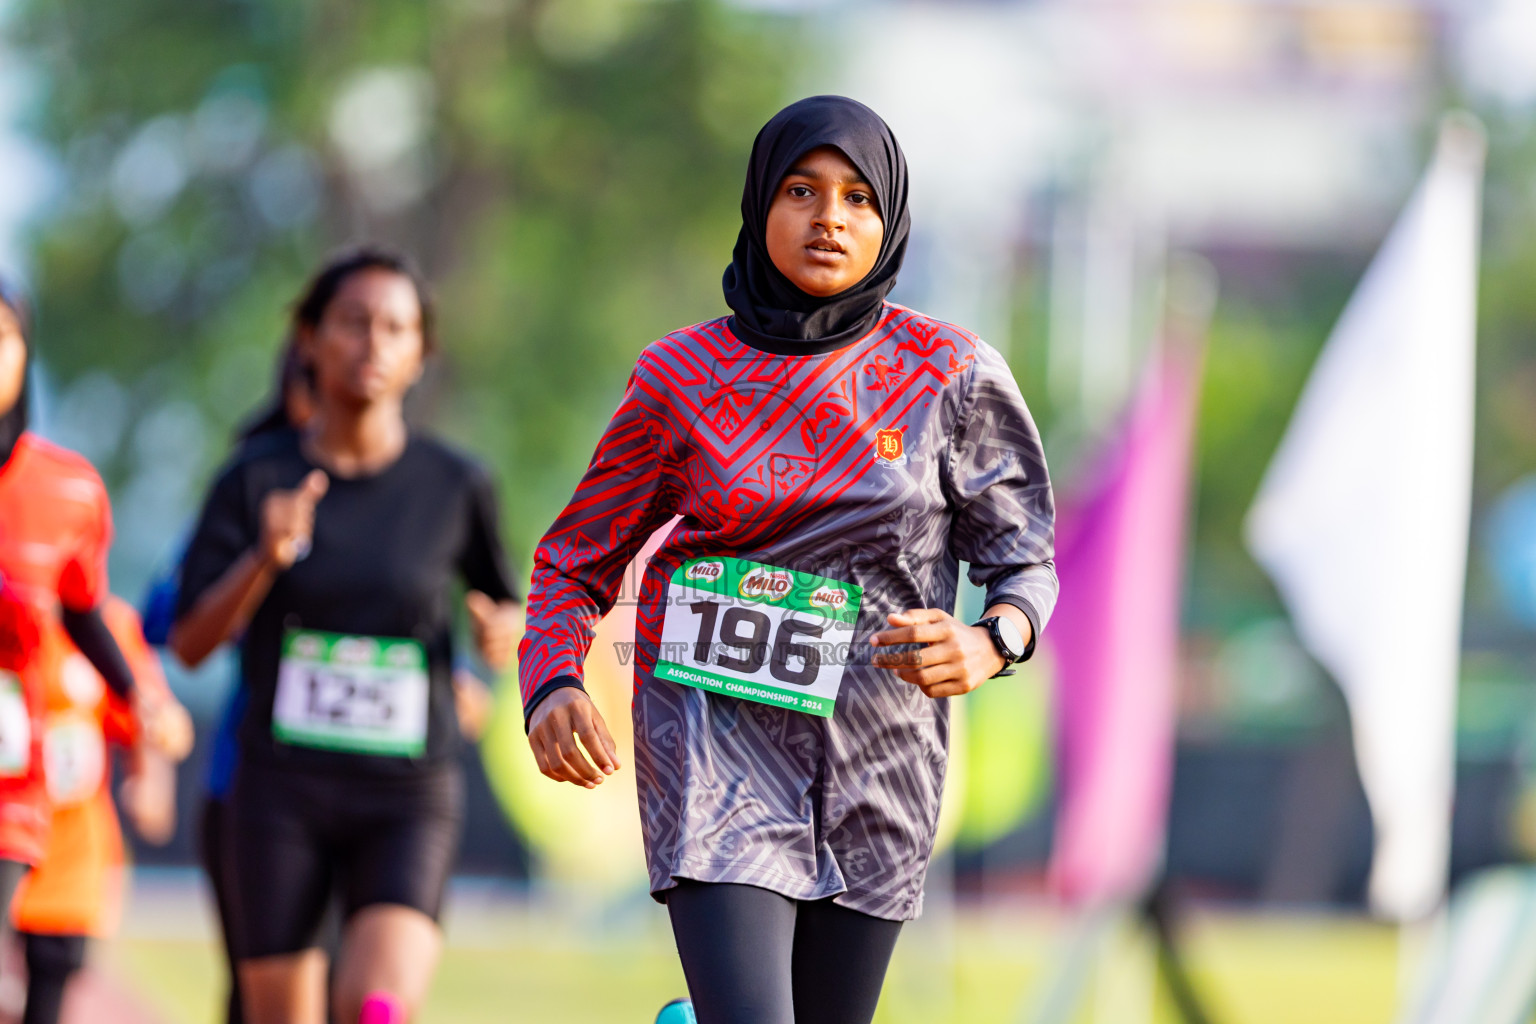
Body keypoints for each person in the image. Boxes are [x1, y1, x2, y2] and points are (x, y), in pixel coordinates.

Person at [519, 96, 1057, 1024]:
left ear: (888, 221)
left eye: (857, 199)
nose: (828, 219)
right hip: (711, 745)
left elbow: (1026, 559)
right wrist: (552, 680)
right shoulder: (679, 378)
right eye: (802, 191)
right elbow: (573, 559)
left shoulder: (952, 376)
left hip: (881, 761)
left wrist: (993, 640)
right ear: (761, 202)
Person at [170, 247, 523, 1024]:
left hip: (406, 789)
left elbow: (507, 607)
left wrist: (500, 641)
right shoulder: (254, 479)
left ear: (421, 352)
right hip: (281, 791)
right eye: (353, 323)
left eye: (396, 327)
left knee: (375, 1005)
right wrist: (263, 558)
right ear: (310, 338)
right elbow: (190, 643)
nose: (373, 344)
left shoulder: (454, 485)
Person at [0, 279, 191, 936]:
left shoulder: (68, 492)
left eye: (0, 338)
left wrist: (140, 699)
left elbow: (85, 611)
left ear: (25, 354)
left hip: (9, 782)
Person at [12, 596, 181, 1024]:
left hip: (66, 863)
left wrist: (150, 780)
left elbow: (151, 723)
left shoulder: (106, 625)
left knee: (44, 1003)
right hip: (6, 847)